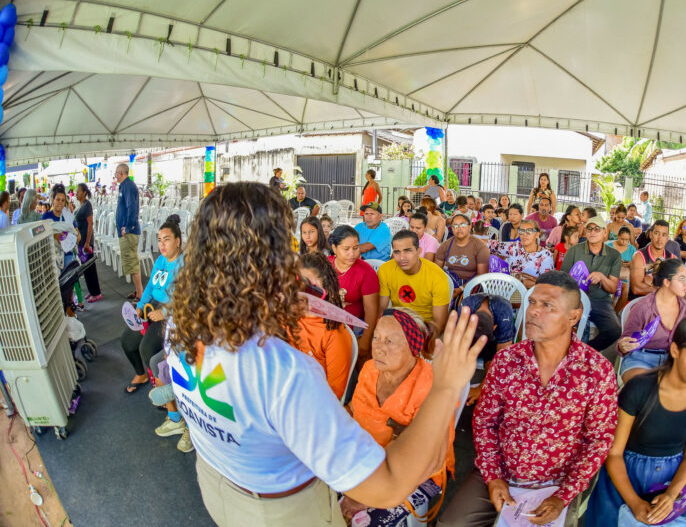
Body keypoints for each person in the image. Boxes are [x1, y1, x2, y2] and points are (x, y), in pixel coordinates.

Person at [166, 182, 487, 527]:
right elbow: (389, 484)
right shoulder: (284, 372)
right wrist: (447, 384)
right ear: (271, 259)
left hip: (218, 481)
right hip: (280, 513)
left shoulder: (181, 323)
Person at [439, 272, 617, 527]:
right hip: (500, 471)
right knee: (451, 524)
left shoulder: (596, 371)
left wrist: (563, 495)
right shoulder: (506, 361)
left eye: (547, 306)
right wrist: (493, 476)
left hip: (555, 485)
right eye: (532, 302)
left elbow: (599, 440)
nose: (534, 311)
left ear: (573, 317)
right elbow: (484, 422)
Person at [586, 314, 686, 527]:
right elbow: (614, 453)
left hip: (675, 476)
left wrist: (672, 494)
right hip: (626, 474)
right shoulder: (639, 389)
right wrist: (634, 502)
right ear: (675, 350)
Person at [341, 308, 456, 525]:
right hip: (365, 458)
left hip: (415, 473)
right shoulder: (369, 370)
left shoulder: (431, 387)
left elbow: (432, 460)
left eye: (390, 341)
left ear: (413, 348)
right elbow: (353, 410)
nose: (378, 348)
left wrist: (368, 495)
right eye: (376, 337)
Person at [122, 215, 183, 396]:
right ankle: (141, 375)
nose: (162, 245)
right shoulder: (160, 260)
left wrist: (164, 311)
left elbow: (187, 297)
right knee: (127, 341)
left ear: (178, 241)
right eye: (159, 240)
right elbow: (150, 286)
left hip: (172, 311)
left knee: (147, 349)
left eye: (167, 240)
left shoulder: (185, 263)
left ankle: (166, 391)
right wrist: (141, 305)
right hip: (152, 306)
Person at [618, 259, 686, 385]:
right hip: (640, 359)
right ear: (667, 282)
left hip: (671, 361)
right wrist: (623, 345)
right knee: (646, 388)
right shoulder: (643, 307)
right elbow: (624, 342)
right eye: (681, 279)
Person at [296, 254, 354, 399]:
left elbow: (334, 392)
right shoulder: (286, 319)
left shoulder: (334, 333)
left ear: (326, 289)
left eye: (310, 288)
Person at [561, 216, 623, 351]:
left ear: (604, 232)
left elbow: (612, 288)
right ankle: (562, 353)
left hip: (600, 301)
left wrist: (602, 278)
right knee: (558, 322)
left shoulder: (614, 255)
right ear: (585, 232)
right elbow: (562, 280)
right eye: (589, 229)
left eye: (597, 229)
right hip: (574, 299)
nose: (592, 232)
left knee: (614, 330)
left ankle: (585, 352)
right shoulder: (574, 250)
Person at [379, 230, 451, 336]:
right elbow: (381, 310)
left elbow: (439, 324)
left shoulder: (437, 276)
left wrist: (421, 342)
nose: (402, 257)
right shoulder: (385, 270)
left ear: (419, 251)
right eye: (397, 252)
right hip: (397, 323)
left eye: (407, 251)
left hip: (425, 327)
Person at [329, 226, 379, 365]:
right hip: (327, 324)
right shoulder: (325, 265)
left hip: (354, 326)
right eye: (346, 249)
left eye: (356, 247)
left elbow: (371, 310)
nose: (352, 253)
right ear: (334, 248)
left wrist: (365, 340)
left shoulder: (366, 272)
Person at [457, 293, 516, 406]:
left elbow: (502, 359)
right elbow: (457, 346)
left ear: (494, 327)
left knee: (495, 365)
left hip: (495, 342)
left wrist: (481, 388)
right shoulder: (465, 308)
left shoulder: (504, 314)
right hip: (468, 337)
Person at [488, 220, 554, 289]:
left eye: (529, 231)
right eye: (522, 231)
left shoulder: (545, 255)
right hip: (508, 290)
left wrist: (519, 281)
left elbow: (545, 284)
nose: (524, 234)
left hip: (529, 295)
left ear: (537, 234)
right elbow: (490, 244)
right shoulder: (514, 247)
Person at [435, 213, 490, 287]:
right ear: (452, 228)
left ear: (470, 226)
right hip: (450, 283)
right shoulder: (445, 246)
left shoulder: (481, 247)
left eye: (463, 225)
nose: (459, 228)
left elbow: (482, 276)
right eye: (455, 225)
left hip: (473, 285)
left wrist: (461, 289)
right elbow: (437, 271)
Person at [115, 163, 143, 300]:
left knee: (132, 262)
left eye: (116, 173)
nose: (115, 176)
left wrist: (128, 226)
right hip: (127, 231)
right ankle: (138, 292)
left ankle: (140, 294)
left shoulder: (128, 186)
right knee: (131, 263)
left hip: (129, 232)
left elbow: (132, 208)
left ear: (121, 172)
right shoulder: (125, 185)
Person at [629, 219, 677, 301]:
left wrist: (650, 284)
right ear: (650, 234)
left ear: (667, 238)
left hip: (662, 304)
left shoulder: (673, 258)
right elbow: (636, 288)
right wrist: (664, 289)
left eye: (664, 235)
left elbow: (676, 286)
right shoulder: (639, 256)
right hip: (639, 303)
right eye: (656, 233)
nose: (660, 239)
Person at [74, 183, 102, 302]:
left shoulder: (87, 205)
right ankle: (91, 291)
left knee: (90, 267)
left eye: (79, 191)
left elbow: (90, 225)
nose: (76, 193)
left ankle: (96, 293)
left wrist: (87, 242)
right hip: (81, 241)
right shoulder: (80, 205)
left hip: (86, 241)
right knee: (86, 268)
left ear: (84, 192)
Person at [42, 185, 78, 269]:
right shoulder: (46, 217)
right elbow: (43, 236)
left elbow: (78, 236)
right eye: (58, 199)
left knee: (68, 273)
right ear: (52, 200)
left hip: (67, 254)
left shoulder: (68, 216)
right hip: (52, 255)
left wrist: (68, 237)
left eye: (62, 200)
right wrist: (55, 236)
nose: (60, 202)